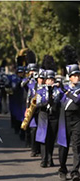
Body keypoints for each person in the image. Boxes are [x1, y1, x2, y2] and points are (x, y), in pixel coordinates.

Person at [57, 45, 80, 181]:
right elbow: (55, 102)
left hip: (77, 119)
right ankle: (63, 168)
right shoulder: (63, 88)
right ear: (69, 77)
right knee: (63, 146)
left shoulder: (74, 90)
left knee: (77, 146)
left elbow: (77, 101)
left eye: (78, 75)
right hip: (63, 119)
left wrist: (65, 91)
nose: (77, 77)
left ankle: (75, 171)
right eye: (74, 75)